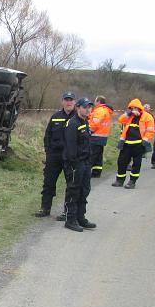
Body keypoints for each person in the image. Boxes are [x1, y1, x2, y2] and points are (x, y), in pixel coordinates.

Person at [35, 91, 76, 218]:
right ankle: (45, 208)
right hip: (55, 155)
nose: (68, 102)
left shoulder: (79, 118)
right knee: (48, 182)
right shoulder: (56, 116)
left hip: (70, 157)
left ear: (75, 102)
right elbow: (48, 135)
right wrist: (48, 152)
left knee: (71, 184)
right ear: (62, 101)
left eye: (71, 100)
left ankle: (67, 212)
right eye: (66, 99)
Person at [62, 98, 96, 232]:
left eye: (89, 107)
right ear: (78, 107)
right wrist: (74, 164)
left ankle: (80, 217)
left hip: (86, 162)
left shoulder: (85, 121)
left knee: (84, 190)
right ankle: (70, 219)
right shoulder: (73, 123)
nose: (88, 109)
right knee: (74, 190)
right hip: (76, 164)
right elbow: (70, 146)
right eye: (85, 107)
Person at [112, 98, 154, 189]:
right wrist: (129, 113)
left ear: (140, 108)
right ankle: (120, 180)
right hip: (126, 144)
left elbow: (150, 131)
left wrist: (145, 141)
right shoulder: (129, 116)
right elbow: (120, 119)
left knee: (136, 164)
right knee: (121, 162)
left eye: (135, 108)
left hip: (139, 144)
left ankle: (132, 181)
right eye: (132, 108)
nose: (134, 109)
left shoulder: (147, 116)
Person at [88, 95, 114, 177]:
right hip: (102, 136)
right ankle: (96, 172)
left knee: (92, 155)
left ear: (98, 101)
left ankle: (86, 172)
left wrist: (89, 131)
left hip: (96, 136)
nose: (94, 102)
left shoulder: (100, 110)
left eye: (95, 101)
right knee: (98, 156)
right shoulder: (105, 110)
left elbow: (95, 123)